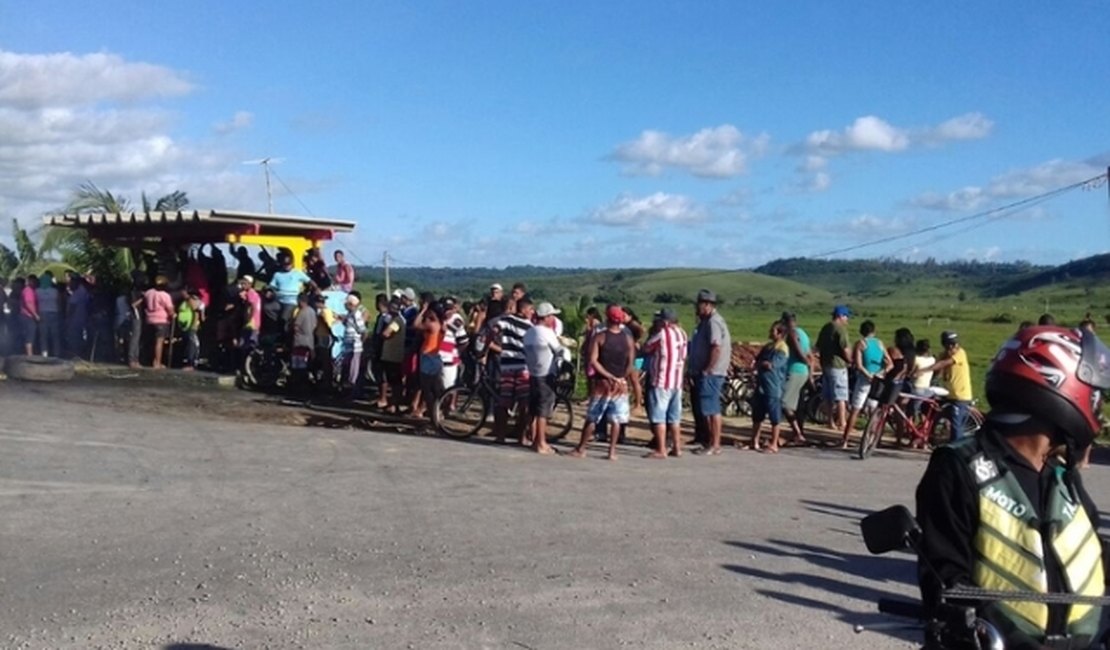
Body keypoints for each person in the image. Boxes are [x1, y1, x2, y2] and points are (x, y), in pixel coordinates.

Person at [916, 326, 1109, 650]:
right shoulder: (960, 467)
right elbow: (943, 572)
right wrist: (957, 614)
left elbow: (1091, 553)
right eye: (1095, 396)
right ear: (1059, 387)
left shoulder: (1062, 477)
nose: (1098, 408)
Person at [569, 304, 635, 461]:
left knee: (593, 417)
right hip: (621, 384)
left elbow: (593, 360)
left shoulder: (600, 337)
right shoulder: (628, 339)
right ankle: (612, 452)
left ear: (607, 318)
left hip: (603, 383)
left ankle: (581, 448)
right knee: (616, 419)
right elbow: (631, 362)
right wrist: (621, 377)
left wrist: (608, 375)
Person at [688, 289, 731, 455]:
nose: (697, 308)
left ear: (707, 305)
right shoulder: (705, 322)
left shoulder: (713, 322)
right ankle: (709, 441)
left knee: (711, 409)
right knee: (707, 409)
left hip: (711, 374)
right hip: (707, 372)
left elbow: (716, 347)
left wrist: (708, 369)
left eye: (699, 304)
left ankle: (715, 444)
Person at [642, 307, 687, 459]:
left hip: (662, 380)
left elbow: (647, 347)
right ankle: (677, 447)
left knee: (659, 416)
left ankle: (661, 449)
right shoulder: (682, 333)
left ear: (665, 321)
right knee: (674, 418)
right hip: (677, 381)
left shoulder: (662, 334)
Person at [523, 302, 567, 455]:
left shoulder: (529, 333)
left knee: (534, 408)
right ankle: (541, 442)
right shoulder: (547, 333)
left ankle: (532, 438)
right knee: (543, 410)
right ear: (547, 317)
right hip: (546, 374)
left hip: (533, 373)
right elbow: (559, 350)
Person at [490, 296, 534, 444]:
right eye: (530, 309)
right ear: (524, 309)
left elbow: (494, 330)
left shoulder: (506, 320)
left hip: (507, 365)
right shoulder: (530, 327)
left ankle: (500, 435)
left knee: (504, 401)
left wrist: (485, 347)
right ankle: (521, 437)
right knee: (524, 403)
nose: (532, 312)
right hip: (523, 367)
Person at [841, 320, 892, 447]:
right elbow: (890, 363)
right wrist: (882, 372)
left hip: (865, 379)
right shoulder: (880, 343)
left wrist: (868, 375)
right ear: (874, 331)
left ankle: (845, 440)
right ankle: (873, 439)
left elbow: (858, 365)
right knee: (873, 411)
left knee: (855, 409)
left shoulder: (861, 343)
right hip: (878, 380)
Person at [925, 331, 974, 440]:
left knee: (956, 426)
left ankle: (955, 449)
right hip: (948, 394)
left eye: (954, 344)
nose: (952, 347)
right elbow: (938, 368)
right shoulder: (943, 355)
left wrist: (924, 370)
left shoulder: (960, 353)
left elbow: (944, 363)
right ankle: (930, 438)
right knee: (934, 414)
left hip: (960, 396)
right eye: (949, 345)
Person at [749, 321, 789, 452]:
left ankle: (774, 443)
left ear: (780, 333)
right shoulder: (768, 346)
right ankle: (754, 440)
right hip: (762, 385)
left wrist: (760, 363)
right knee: (757, 415)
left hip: (773, 386)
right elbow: (758, 360)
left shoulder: (782, 349)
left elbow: (771, 365)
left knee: (774, 416)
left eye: (773, 331)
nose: (770, 333)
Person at [816, 305, 852, 436]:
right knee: (841, 396)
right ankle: (842, 422)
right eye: (846, 316)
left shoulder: (826, 328)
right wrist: (850, 361)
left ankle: (830, 421)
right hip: (838, 365)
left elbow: (818, 346)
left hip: (825, 364)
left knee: (828, 395)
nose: (847, 319)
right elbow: (845, 348)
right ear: (841, 316)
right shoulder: (841, 330)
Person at [780, 311, 810, 446]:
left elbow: (799, 352)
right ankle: (797, 431)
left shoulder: (791, 334)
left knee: (784, 403)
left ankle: (797, 433)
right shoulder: (803, 333)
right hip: (803, 372)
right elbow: (809, 352)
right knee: (796, 404)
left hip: (795, 370)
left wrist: (805, 361)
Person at [413, 301, 444, 420]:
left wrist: (422, 312)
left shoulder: (432, 324)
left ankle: (433, 413)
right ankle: (437, 412)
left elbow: (416, 324)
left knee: (427, 389)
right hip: (435, 357)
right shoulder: (441, 324)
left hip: (428, 357)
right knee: (434, 388)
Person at [377, 297, 406, 412]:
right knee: (392, 381)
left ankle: (394, 404)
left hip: (393, 356)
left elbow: (386, 333)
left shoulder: (397, 321)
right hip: (390, 355)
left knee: (395, 382)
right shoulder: (396, 320)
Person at [269, 253, 312, 328]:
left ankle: (284, 334)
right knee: (267, 308)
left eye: (288, 264)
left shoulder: (297, 273)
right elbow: (271, 286)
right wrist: (270, 291)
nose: (287, 266)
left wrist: (316, 289)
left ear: (292, 264)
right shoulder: (277, 274)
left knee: (284, 318)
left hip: (291, 301)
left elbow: (309, 281)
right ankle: (277, 324)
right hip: (279, 299)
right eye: (285, 264)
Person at [338, 293, 367, 398]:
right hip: (349, 346)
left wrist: (360, 343)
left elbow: (363, 330)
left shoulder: (356, 314)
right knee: (347, 366)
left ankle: (352, 389)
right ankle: (347, 388)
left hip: (355, 347)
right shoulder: (350, 314)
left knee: (353, 369)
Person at [143, 276, 175, 369]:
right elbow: (170, 309)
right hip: (161, 320)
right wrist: (173, 314)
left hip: (149, 319)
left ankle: (148, 359)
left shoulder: (148, 293)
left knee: (150, 341)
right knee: (159, 342)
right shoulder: (165, 295)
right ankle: (157, 362)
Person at [289, 292, 317, 394]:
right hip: (310, 341)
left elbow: (296, 326)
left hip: (300, 341)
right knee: (305, 363)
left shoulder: (302, 312)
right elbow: (314, 325)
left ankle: (298, 386)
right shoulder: (312, 311)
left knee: (298, 364)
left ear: (300, 301)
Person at [36, 271, 61, 357]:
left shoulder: (37, 291)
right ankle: (56, 353)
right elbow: (59, 303)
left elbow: (35, 303)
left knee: (43, 335)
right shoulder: (55, 291)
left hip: (42, 313)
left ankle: (44, 353)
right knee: (55, 335)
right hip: (54, 313)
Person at [177, 290, 203, 370]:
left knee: (192, 344)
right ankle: (186, 361)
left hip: (192, 326)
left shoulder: (195, 302)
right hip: (185, 326)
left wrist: (194, 324)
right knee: (187, 343)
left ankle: (191, 363)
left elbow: (196, 310)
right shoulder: (184, 302)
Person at [19, 275, 39, 356]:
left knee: (29, 336)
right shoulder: (28, 291)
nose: (36, 283)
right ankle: (29, 356)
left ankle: (29, 354)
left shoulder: (30, 290)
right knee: (29, 337)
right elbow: (29, 304)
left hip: (26, 317)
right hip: (28, 317)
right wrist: (36, 315)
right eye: (34, 281)